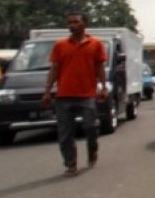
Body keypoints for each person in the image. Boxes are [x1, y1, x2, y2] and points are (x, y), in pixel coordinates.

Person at [42, 12, 108, 177]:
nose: (72, 25)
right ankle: (71, 164)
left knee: (90, 127)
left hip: (87, 95)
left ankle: (92, 151)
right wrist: (47, 91)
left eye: (76, 22)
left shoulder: (96, 44)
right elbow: (55, 69)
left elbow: (99, 67)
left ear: (84, 24)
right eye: (70, 22)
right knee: (65, 134)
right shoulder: (60, 45)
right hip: (64, 95)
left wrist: (104, 87)